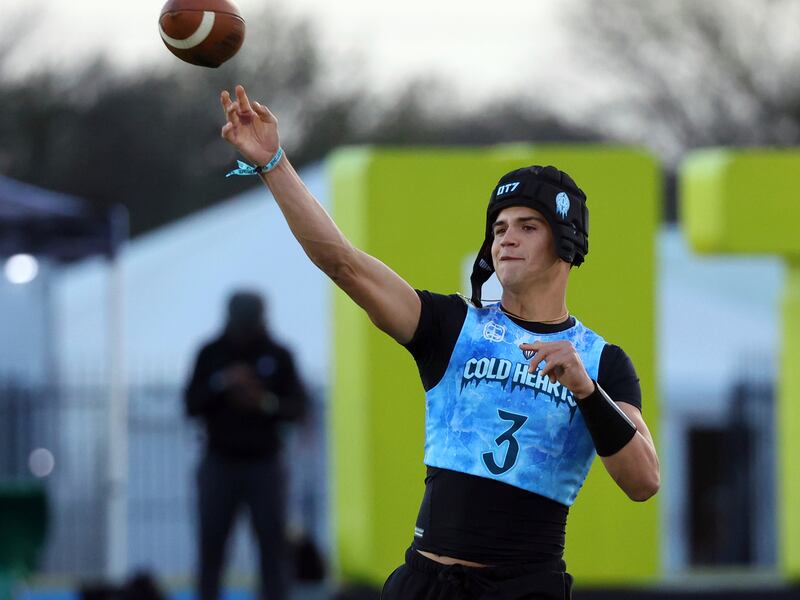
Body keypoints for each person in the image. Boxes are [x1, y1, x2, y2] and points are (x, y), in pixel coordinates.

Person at [218, 85, 660, 600]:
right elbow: (342, 262)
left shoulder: (601, 362)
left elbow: (643, 481)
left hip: (523, 589)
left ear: (565, 243)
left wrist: (586, 391)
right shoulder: (454, 326)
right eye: (498, 227)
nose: (505, 238)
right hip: (426, 584)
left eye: (527, 226)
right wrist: (273, 162)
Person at [184, 290, 307, 600]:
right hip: (219, 462)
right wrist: (221, 384)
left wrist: (262, 401)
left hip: (264, 464)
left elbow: (298, 408)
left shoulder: (278, 355)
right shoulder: (211, 353)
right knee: (211, 546)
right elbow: (190, 404)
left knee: (272, 547)